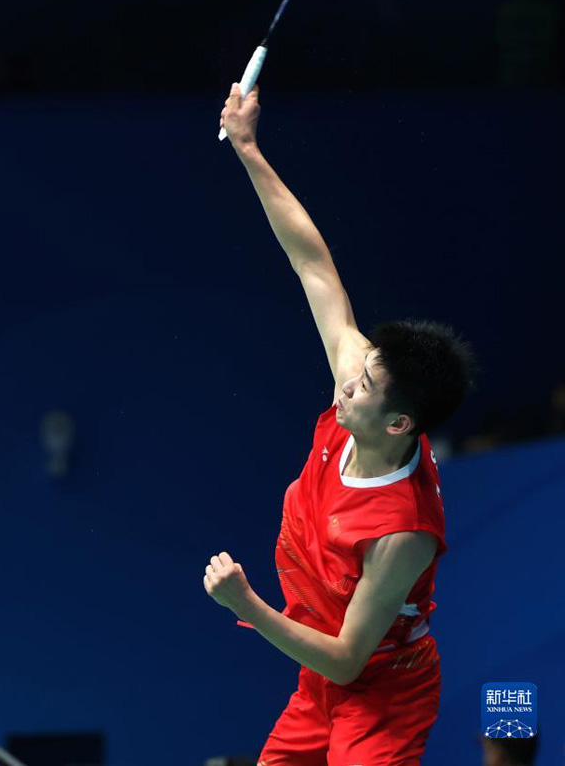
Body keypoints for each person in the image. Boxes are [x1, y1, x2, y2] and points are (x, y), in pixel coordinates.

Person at [203, 83, 478, 766]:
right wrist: (248, 148)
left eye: (363, 388)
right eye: (359, 370)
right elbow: (313, 265)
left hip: (381, 691)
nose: (346, 382)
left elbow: (350, 659)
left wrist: (248, 605)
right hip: (316, 680)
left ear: (401, 423)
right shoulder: (365, 389)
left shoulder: (402, 531)